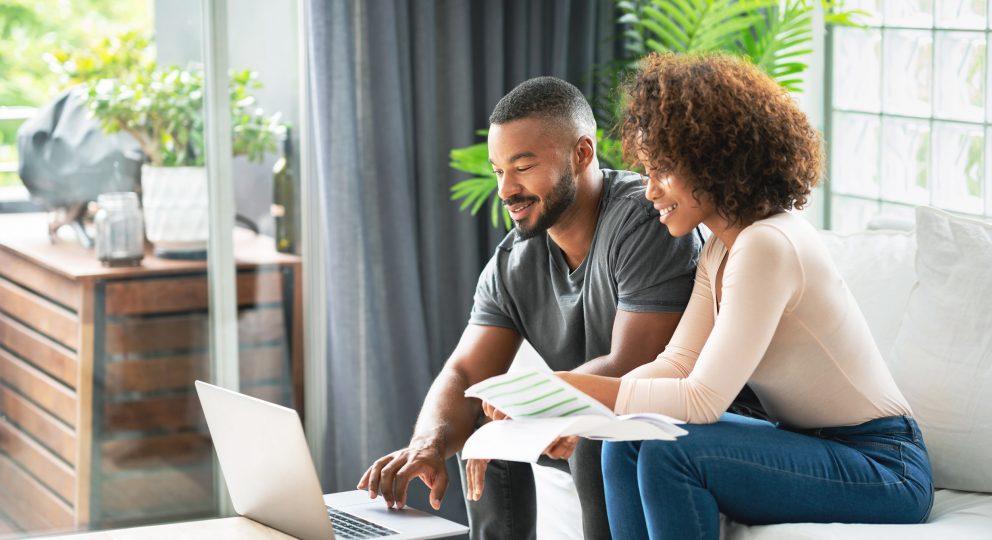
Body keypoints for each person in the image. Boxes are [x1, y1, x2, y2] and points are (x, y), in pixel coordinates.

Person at [544, 53, 934, 539]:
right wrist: (588, 408)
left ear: (711, 160)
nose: (649, 191)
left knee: (671, 453)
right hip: (812, 444)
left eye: (662, 169)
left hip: (883, 464)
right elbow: (677, 364)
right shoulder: (720, 250)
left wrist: (572, 391)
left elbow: (703, 399)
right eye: (646, 171)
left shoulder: (767, 245)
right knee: (626, 438)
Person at [357, 76, 713, 540]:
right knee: (486, 428)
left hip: (665, 420)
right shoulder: (513, 263)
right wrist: (428, 443)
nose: (506, 190)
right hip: (579, 421)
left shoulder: (645, 221)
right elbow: (465, 374)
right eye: (497, 171)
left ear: (582, 154)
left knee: (590, 436)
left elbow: (635, 363)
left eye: (523, 167)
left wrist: (530, 407)